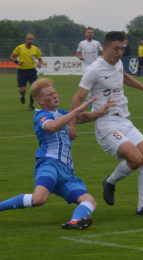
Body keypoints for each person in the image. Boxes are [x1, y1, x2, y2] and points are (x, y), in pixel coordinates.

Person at [0, 78, 115, 230]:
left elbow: (81, 117)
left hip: (66, 172)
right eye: (50, 94)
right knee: (39, 199)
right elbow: (53, 126)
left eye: (55, 92)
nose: (55, 96)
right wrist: (76, 110)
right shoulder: (41, 115)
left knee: (90, 201)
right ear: (40, 100)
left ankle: (75, 221)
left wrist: (102, 111)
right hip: (49, 164)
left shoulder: (60, 113)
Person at [69, 31, 143, 217]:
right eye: (115, 49)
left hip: (123, 120)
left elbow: (123, 75)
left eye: (122, 48)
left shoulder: (118, 63)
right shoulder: (94, 70)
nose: (119, 53)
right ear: (105, 48)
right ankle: (110, 182)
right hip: (105, 124)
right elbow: (77, 98)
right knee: (135, 159)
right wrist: (72, 125)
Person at [10, 34, 42, 110]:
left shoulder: (35, 49)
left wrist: (39, 64)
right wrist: (17, 62)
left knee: (34, 89)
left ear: (33, 40)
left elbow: (40, 59)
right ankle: (22, 94)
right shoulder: (19, 48)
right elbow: (12, 56)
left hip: (32, 71)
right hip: (22, 71)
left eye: (31, 39)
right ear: (25, 40)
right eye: (29, 39)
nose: (30, 41)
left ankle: (31, 106)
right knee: (23, 89)